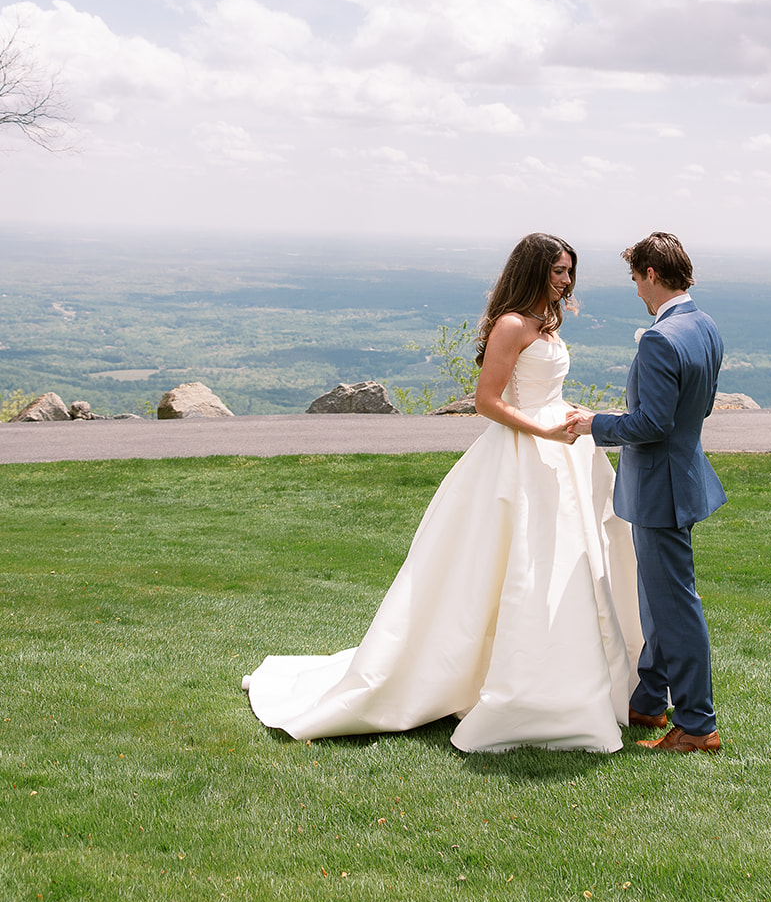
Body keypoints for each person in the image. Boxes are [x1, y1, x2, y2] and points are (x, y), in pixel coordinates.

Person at [242, 233, 642, 753]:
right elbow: (487, 401)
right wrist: (541, 430)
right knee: (512, 564)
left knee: (569, 563)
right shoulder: (512, 324)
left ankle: (571, 678)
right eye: (556, 272)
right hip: (522, 453)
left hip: (567, 452)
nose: (565, 282)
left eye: (569, 272)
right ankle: (500, 683)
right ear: (531, 272)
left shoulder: (547, 321)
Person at [567, 232, 725, 754]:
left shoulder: (660, 339)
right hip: (684, 478)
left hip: (661, 488)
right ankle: (650, 700)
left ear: (652, 275)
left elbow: (653, 423)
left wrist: (596, 423)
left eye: (636, 278)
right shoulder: (703, 325)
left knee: (675, 604)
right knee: (658, 599)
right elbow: (693, 411)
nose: (636, 289)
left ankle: (698, 725)